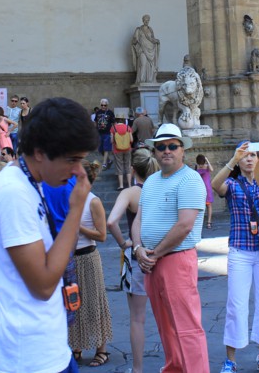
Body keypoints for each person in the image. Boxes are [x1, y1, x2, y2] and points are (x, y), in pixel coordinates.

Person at [0, 96, 96, 373]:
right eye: (72, 160)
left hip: (46, 349)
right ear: (40, 152)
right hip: (29, 358)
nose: (78, 171)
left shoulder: (31, 183)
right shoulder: (14, 193)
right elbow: (43, 285)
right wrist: (76, 209)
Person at [129, 123, 209, 372]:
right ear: (154, 151)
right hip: (152, 260)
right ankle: (174, 368)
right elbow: (138, 219)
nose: (166, 151)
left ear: (182, 149)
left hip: (175, 258)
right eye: (161, 146)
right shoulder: (151, 181)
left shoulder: (190, 178)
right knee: (165, 325)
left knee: (186, 326)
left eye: (172, 146)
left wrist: (154, 253)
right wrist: (139, 249)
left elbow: (185, 224)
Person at [211, 141, 259, 373]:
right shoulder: (232, 184)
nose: (249, 159)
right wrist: (232, 158)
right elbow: (214, 185)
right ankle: (231, 359)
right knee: (236, 305)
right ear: (239, 161)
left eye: (253, 155)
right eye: (245, 156)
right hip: (240, 250)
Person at [106, 149, 160, 373]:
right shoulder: (161, 188)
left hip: (137, 255)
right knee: (168, 314)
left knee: (137, 319)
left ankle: (137, 369)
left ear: (132, 169)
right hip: (161, 254)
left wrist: (123, 243)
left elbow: (111, 222)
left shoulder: (130, 193)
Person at [68, 162, 113, 367]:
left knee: (95, 304)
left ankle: (101, 350)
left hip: (88, 257)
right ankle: (76, 346)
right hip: (71, 258)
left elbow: (102, 235)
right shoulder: (70, 199)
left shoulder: (93, 202)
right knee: (72, 305)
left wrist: (80, 227)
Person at [131, 14, 160, 85]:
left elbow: (152, 39)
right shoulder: (138, 29)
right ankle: (141, 80)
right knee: (143, 64)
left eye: (148, 20)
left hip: (150, 50)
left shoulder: (150, 30)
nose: (146, 21)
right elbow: (134, 41)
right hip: (142, 49)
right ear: (143, 20)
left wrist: (156, 41)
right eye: (145, 20)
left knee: (150, 65)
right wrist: (135, 41)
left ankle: (149, 80)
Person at [112, 116, 134, 189]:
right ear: (124, 120)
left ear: (116, 120)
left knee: (119, 166)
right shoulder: (128, 127)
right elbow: (131, 140)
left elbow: (111, 141)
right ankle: (129, 185)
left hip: (117, 149)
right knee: (128, 165)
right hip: (127, 149)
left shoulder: (113, 128)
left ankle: (121, 185)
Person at [93, 99, 115, 169]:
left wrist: (113, 132)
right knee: (100, 150)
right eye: (102, 105)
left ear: (107, 105)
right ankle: (109, 160)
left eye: (104, 105)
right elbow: (95, 121)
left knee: (106, 148)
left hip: (107, 133)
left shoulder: (110, 113)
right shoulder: (98, 112)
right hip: (99, 133)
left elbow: (113, 123)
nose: (103, 106)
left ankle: (104, 163)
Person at [194, 154, 214, 229]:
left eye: (202, 164)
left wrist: (207, 160)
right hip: (199, 189)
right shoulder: (196, 167)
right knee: (199, 206)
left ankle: (209, 222)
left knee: (208, 205)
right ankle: (198, 222)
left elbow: (212, 170)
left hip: (207, 189)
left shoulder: (207, 166)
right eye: (199, 164)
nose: (201, 165)